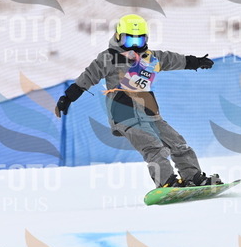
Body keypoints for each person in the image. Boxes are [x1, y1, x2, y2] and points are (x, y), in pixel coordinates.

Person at [55, 14, 221, 188]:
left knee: (178, 143)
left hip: (149, 112)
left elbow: (171, 59)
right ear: (118, 36)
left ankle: (193, 177)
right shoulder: (109, 58)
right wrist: (68, 97)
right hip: (124, 113)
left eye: (139, 41)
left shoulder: (150, 58)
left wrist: (194, 62)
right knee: (153, 147)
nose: (134, 46)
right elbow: (89, 76)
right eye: (129, 40)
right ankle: (167, 182)